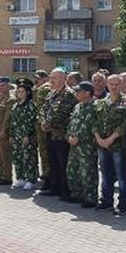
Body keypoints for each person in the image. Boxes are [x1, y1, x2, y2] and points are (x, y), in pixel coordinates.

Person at [94, 75, 126, 214]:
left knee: (121, 176)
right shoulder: (100, 103)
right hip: (102, 145)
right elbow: (94, 122)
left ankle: (122, 204)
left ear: (121, 85)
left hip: (118, 145)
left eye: (117, 84)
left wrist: (111, 138)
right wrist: (98, 138)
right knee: (105, 175)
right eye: (111, 84)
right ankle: (106, 201)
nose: (114, 87)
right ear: (107, 84)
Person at [38, 68, 77, 198]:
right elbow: (43, 110)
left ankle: (65, 190)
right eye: (51, 78)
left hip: (62, 135)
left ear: (63, 79)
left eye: (54, 78)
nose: (51, 81)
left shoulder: (69, 94)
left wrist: (48, 124)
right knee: (52, 162)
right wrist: (43, 122)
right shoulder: (51, 94)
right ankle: (54, 187)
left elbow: (63, 113)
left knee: (63, 163)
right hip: (50, 134)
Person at [66, 82, 98, 207]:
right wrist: (69, 136)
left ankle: (91, 198)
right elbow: (71, 123)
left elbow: (93, 126)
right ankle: (77, 194)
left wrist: (79, 137)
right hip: (74, 145)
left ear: (88, 93)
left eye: (79, 91)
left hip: (87, 146)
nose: (76, 93)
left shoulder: (94, 107)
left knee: (88, 172)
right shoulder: (77, 106)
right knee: (72, 171)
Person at [8, 78, 37, 190]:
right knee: (17, 157)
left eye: (22, 91)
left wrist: (28, 135)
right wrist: (11, 135)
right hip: (17, 136)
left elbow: (31, 121)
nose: (20, 93)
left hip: (26, 136)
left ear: (28, 92)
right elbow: (13, 122)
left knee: (28, 158)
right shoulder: (15, 105)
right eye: (18, 91)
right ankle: (20, 178)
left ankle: (31, 179)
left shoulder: (30, 105)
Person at [0, 77, 15, 186]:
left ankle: (7, 177)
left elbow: (7, 117)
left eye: (3, 85)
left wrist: (3, 130)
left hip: (3, 132)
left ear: (8, 86)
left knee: (5, 155)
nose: (1, 87)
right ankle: (1, 175)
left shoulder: (11, 99)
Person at [32, 70, 52, 189]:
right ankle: (45, 174)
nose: (36, 81)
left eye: (38, 78)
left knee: (45, 152)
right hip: (40, 125)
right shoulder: (38, 89)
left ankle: (47, 176)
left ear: (45, 79)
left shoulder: (45, 89)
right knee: (43, 151)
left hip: (44, 126)